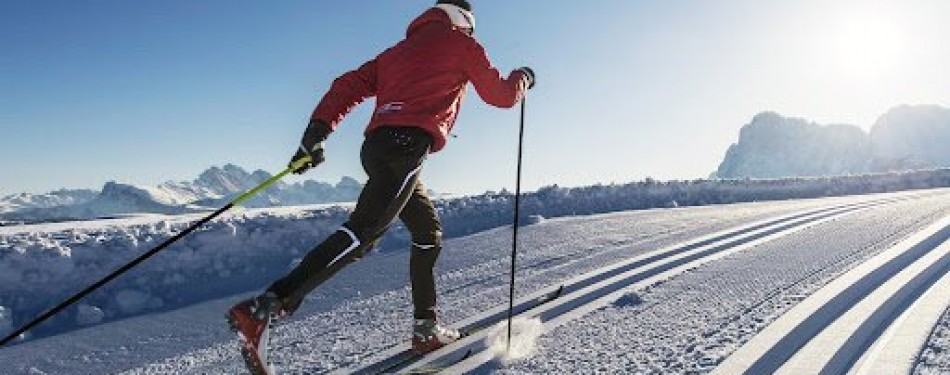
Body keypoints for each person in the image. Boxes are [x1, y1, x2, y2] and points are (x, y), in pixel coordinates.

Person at [227, 0, 534, 371]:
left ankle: (426, 329)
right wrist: (523, 77)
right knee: (364, 233)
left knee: (427, 233)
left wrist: (316, 133)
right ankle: (268, 306)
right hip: (407, 147)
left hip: (376, 149)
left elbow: (346, 86)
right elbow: (500, 95)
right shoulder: (462, 44)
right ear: (467, 21)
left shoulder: (396, 52)